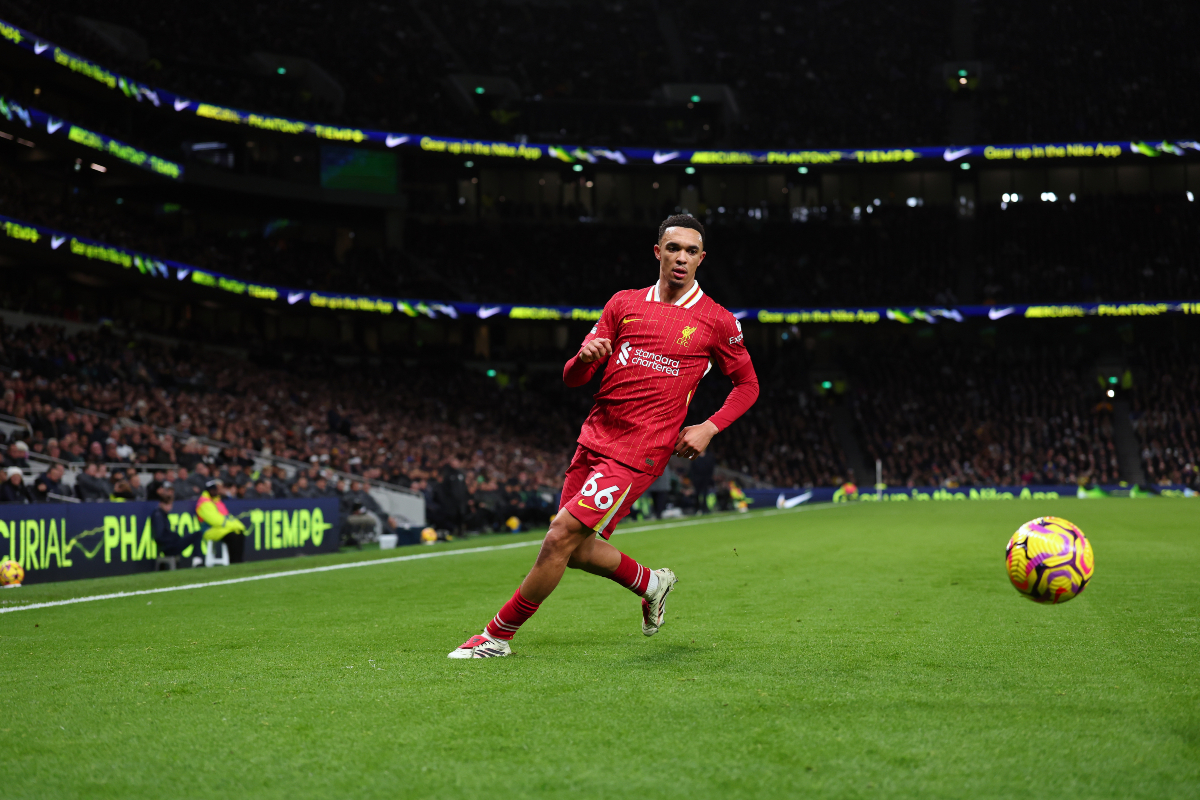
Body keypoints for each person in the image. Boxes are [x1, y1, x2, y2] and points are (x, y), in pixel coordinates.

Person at [450, 215, 759, 658]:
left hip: (640, 451)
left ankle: (496, 636)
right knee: (575, 551)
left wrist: (709, 427)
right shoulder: (623, 303)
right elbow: (573, 378)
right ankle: (652, 582)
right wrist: (583, 357)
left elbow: (748, 385)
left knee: (558, 537)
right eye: (674, 248)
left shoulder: (716, 321)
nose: (682, 258)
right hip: (593, 439)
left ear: (702, 259)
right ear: (658, 252)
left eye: (692, 251)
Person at [149, 483, 206, 567]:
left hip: (169, 545)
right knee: (197, 534)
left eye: (170, 504)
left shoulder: (161, 514)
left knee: (196, 534)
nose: (169, 507)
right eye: (167, 504)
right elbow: (159, 536)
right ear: (161, 504)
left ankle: (198, 559)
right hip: (169, 547)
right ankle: (198, 560)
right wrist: (174, 537)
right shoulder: (158, 515)